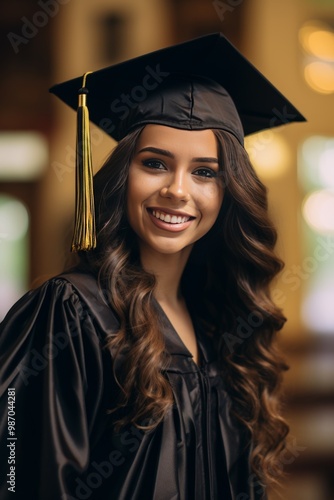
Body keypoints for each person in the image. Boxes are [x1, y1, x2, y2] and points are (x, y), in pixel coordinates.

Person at [0, 33, 305, 500]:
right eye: (155, 163)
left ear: (229, 193)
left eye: (205, 172)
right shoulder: (70, 312)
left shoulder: (218, 319)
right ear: (124, 176)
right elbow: (21, 478)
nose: (177, 190)